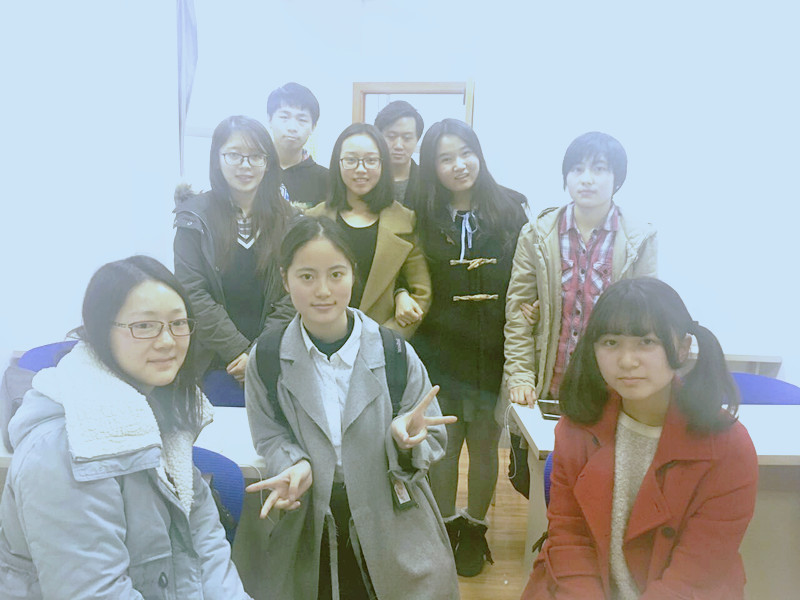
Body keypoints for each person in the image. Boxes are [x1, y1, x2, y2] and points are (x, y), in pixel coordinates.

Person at [0, 256, 251, 599]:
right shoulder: (62, 448)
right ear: (101, 331)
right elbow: (95, 592)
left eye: (179, 323)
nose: (168, 341)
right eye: (144, 326)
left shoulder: (162, 409)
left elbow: (207, 549)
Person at [244, 216, 460, 600]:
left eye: (336, 274)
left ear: (353, 274)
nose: (323, 291)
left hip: (392, 518)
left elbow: (431, 434)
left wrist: (403, 441)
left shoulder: (394, 352)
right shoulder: (268, 357)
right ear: (285, 279)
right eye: (306, 276)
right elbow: (269, 434)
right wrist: (294, 463)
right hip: (308, 520)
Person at [521, 277, 758, 599]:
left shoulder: (728, 446)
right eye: (610, 342)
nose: (627, 361)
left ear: (682, 347)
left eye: (646, 342)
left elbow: (695, 574)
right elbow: (570, 539)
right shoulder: (576, 428)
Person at [502, 131, 657, 497]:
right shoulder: (537, 234)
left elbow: (647, 317)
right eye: (577, 169)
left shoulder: (640, 239)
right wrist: (520, 375)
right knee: (538, 482)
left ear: (617, 178)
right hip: (547, 385)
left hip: (608, 389)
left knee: (601, 485)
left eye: (599, 169)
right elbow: (518, 314)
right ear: (565, 177)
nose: (587, 178)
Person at [413, 118, 529, 576]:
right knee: (444, 443)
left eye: (466, 153)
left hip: (490, 347)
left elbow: (529, 273)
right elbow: (407, 273)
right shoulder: (420, 214)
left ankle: (475, 528)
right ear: (432, 166)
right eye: (445, 158)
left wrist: (534, 304)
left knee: (484, 444)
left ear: (479, 154)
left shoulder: (511, 209)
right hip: (438, 347)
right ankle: (444, 526)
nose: (459, 165)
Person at [174, 115, 296, 403]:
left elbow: (294, 293)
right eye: (234, 155)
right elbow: (192, 292)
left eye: (256, 156)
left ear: (268, 163)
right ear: (217, 159)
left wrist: (258, 353)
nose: (245, 165)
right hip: (214, 362)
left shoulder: (290, 219)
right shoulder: (194, 218)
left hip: (275, 358)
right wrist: (239, 351)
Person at [308, 123, 431, 337]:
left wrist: (382, 342)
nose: (361, 169)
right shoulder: (313, 219)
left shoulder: (405, 221)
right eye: (351, 160)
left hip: (381, 342)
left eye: (371, 160)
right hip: (322, 340)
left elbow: (420, 293)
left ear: (383, 164)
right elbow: (300, 286)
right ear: (337, 163)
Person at [267, 82, 329, 207]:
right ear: (270, 119)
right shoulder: (253, 170)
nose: (292, 127)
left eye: (302, 119)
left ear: (313, 127)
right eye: (284, 117)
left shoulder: (326, 180)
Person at [374, 100, 424, 209]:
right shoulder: (368, 176)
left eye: (407, 138)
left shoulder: (427, 180)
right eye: (391, 137)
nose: (398, 145)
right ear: (379, 137)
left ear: (417, 139)